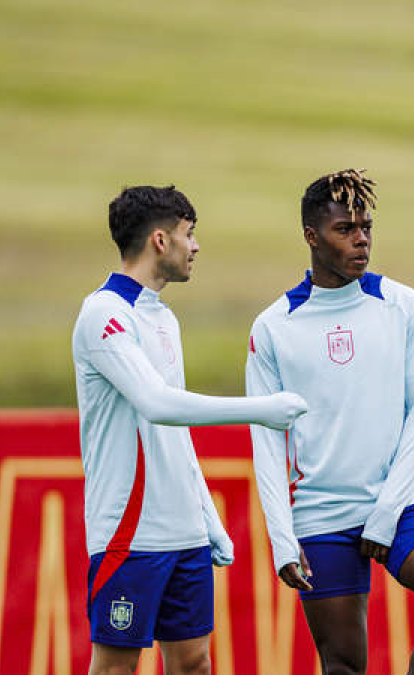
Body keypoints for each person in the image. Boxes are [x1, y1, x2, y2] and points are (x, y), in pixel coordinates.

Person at [246, 169, 414, 675]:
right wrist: (282, 538)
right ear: (311, 236)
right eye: (345, 230)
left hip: (398, 502)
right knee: (343, 666)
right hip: (320, 512)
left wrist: (386, 510)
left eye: (366, 227)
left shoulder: (402, 305)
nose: (361, 240)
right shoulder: (273, 327)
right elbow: (266, 443)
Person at [74, 185, 309, 675]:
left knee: (194, 663)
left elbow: (173, 434)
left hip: (183, 533)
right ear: (160, 240)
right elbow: (157, 405)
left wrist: (206, 516)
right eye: (189, 234)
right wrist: (259, 409)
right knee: (116, 666)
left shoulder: (163, 317)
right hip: (129, 533)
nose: (195, 246)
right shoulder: (104, 315)